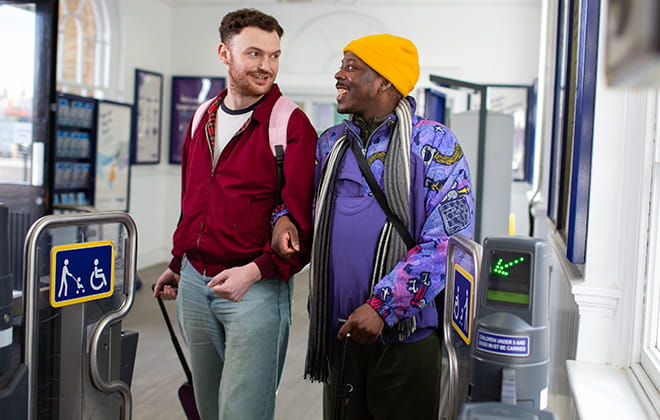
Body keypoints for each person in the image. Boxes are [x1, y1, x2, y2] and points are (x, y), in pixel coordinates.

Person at [275, 34, 474, 419]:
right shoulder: (330, 144)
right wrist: (281, 218)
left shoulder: (432, 145)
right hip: (341, 334)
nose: (339, 74)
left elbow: (448, 244)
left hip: (406, 338)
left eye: (351, 66)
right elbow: (297, 204)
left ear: (384, 80)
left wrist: (383, 307)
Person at [153, 8, 317, 420]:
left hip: (256, 289)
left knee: (243, 411)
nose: (267, 66)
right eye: (255, 54)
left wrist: (255, 271)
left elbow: (304, 226)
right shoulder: (201, 118)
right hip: (193, 283)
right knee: (208, 407)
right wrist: (177, 262)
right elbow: (192, 201)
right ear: (225, 53)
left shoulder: (291, 125)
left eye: (275, 55)